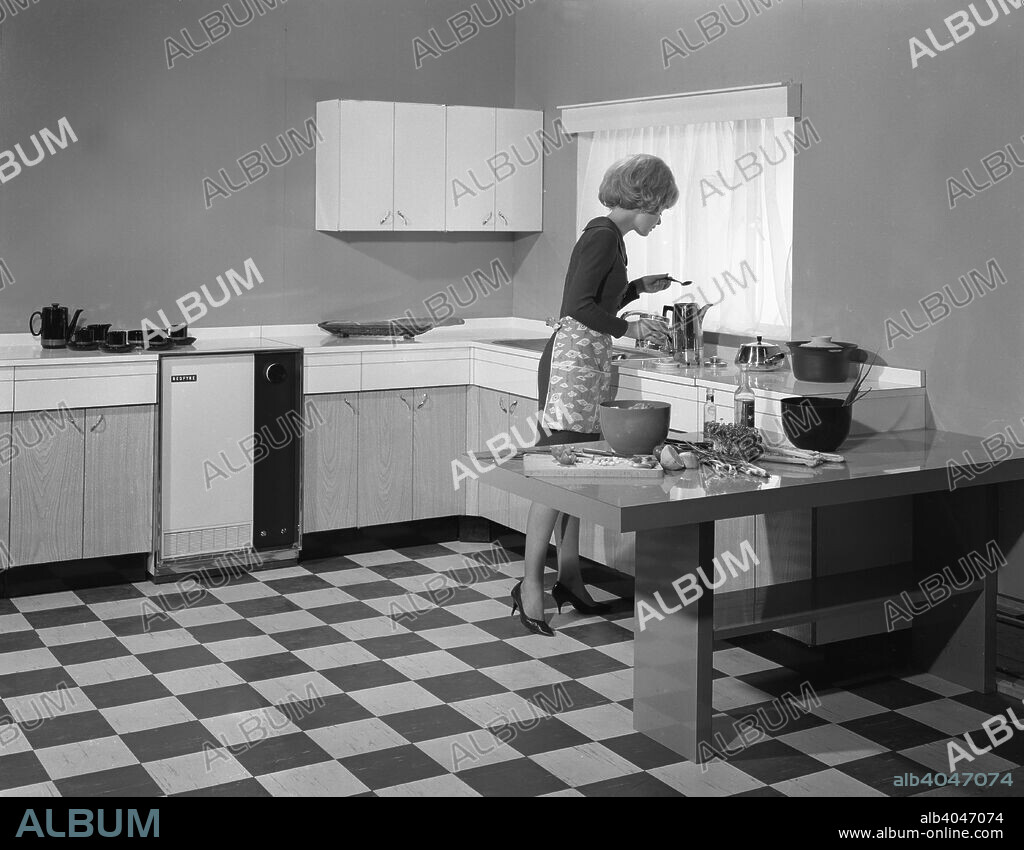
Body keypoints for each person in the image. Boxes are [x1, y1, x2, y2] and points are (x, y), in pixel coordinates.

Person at [511, 153, 681, 636]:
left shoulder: (613, 241)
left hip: (588, 360)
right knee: (553, 473)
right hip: (571, 363)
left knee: (575, 467)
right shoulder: (602, 237)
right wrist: (632, 328)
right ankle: (528, 586)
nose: (660, 217)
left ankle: (569, 574)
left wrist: (633, 290)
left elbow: (598, 299)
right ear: (642, 199)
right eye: (659, 208)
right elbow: (577, 306)